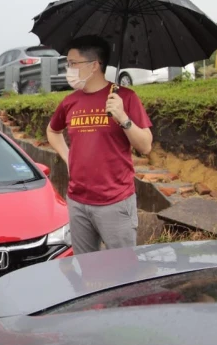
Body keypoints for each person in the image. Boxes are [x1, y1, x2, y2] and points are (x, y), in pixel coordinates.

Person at [47, 35, 153, 254]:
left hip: (115, 202)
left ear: (94, 65)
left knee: (123, 270)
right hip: (77, 201)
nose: (69, 69)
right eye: (68, 64)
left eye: (73, 64)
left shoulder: (125, 98)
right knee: (87, 271)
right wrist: (68, 157)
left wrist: (123, 118)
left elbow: (146, 146)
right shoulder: (70, 101)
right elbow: (52, 131)